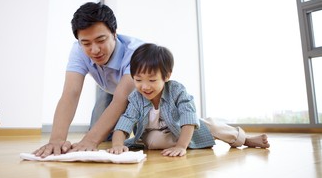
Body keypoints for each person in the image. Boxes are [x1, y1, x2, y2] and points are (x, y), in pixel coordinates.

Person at [107, 43, 270, 157]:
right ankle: (195, 141)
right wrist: (117, 145)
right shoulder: (136, 97)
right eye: (138, 80)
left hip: (182, 128)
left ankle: (245, 139)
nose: (145, 86)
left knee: (209, 124)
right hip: (156, 136)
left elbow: (188, 117)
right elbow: (125, 122)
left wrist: (181, 146)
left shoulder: (177, 90)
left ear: (166, 76)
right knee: (153, 141)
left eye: (152, 80)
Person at [34, 2, 145, 157]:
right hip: (108, 89)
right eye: (86, 43)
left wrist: (90, 140)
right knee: (102, 134)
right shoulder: (78, 50)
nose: (94, 50)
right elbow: (70, 94)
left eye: (101, 40)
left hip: (141, 93)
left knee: (146, 137)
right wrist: (56, 140)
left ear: (114, 33)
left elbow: (121, 99)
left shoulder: (136, 52)